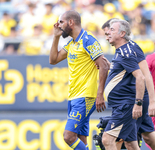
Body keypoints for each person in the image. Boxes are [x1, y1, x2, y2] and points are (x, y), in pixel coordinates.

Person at [101, 19, 155, 150]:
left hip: (126, 103)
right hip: (130, 101)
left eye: (112, 29)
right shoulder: (131, 46)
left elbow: (142, 76)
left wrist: (140, 103)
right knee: (136, 141)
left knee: (107, 140)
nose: (108, 32)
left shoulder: (126, 52)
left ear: (122, 34)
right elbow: (134, 71)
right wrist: (112, 67)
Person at [49, 10, 109, 150]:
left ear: (71, 22)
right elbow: (53, 60)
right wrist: (56, 37)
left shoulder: (88, 40)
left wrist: (100, 94)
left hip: (86, 96)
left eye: (62, 22)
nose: (59, 25)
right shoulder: (72, 43)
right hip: (74, 96)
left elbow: (104, 66)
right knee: (81, 139)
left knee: (68, 136)